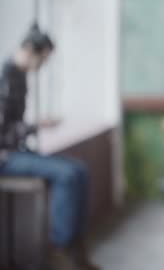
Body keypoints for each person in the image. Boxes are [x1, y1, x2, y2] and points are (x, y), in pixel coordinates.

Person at [0, 23, 99, 270]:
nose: (42, 65)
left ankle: (76, 247)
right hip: (5, 157)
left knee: (80, 170)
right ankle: (59, 249)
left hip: (17, 151)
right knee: (66, 175)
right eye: (42, 59)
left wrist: (33, 127)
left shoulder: (19, 76)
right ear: (31, 50)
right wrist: (36, 126)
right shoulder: (5, 77)